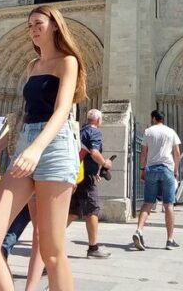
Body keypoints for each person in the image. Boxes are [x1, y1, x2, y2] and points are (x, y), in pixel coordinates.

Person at [0, 5, 86, 291]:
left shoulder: (68, 62)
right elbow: (23, 113)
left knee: (51, 251)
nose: (33, 29)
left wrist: (36, 149)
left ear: (55, 25)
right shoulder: (31, 66)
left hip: (55, 147)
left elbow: (62, 111)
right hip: (26, 144)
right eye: (30, 25)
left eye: (39, 23)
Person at [131, 110, 181, 251]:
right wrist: (176, 170)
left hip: (151, 169)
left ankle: (139, 230)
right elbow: (177, 153)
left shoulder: (148, 132)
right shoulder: (171, 131)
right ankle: (170, 240)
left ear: (153, 118)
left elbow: (144, 153)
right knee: (168, 204)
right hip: (167, 169)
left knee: (148, 202)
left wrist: (142, 170)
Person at [70, 108, 112, 258]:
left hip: (78, 175)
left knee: (73, 211)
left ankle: (49, 239)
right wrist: (105, 163)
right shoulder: (94, 132)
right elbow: (94, 152)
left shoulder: (81, 132)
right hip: (86, 178)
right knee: (92, 209)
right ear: (99, 121)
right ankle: (93, 248)